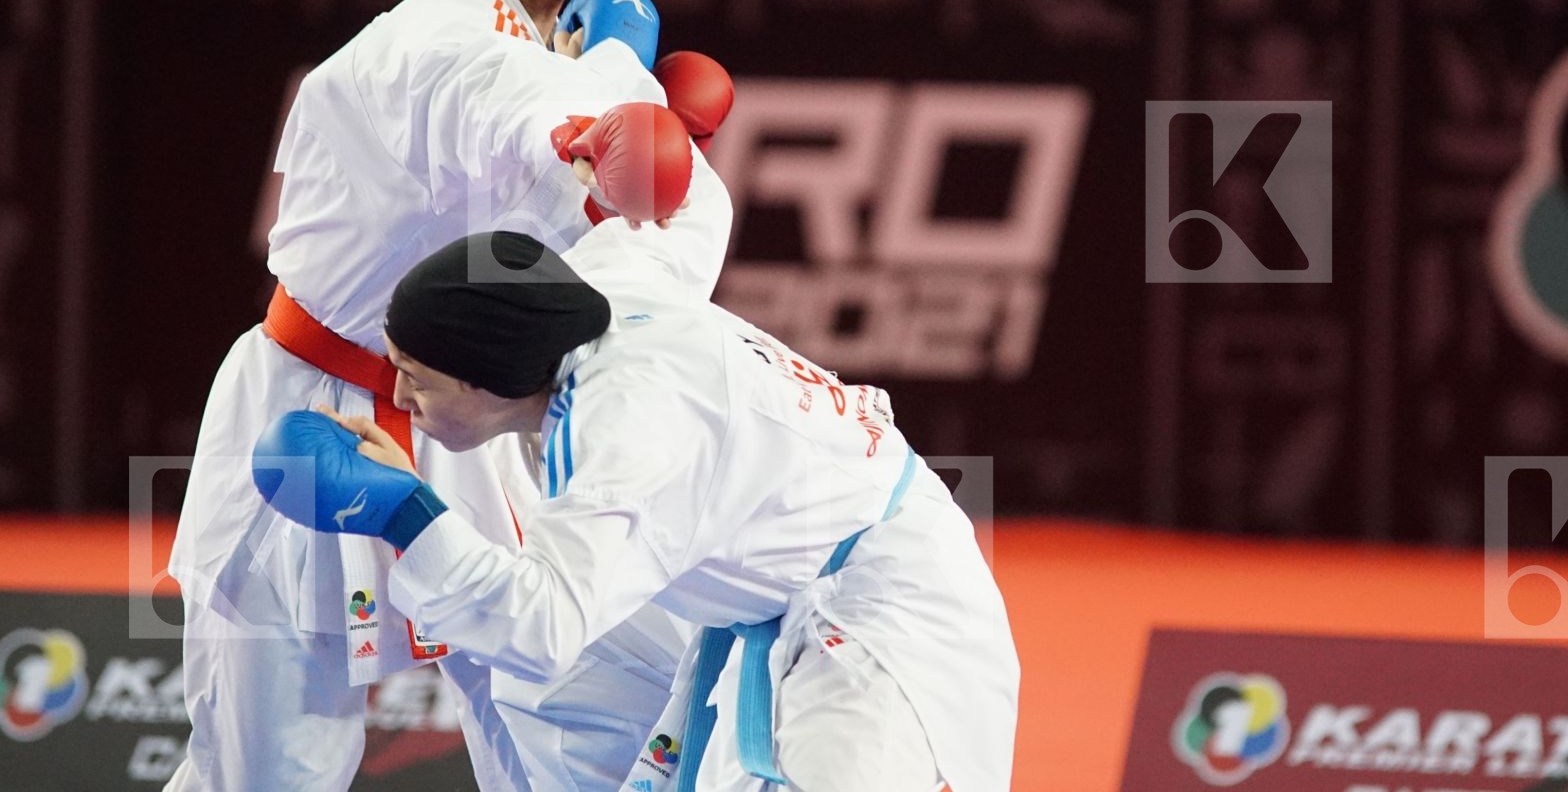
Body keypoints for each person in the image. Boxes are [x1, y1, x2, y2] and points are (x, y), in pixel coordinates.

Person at [165, 0, 736, 792]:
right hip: (318, 416)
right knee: (264, 769)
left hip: (476, 423)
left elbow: (660, 218)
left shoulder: (561, 48)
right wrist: (611, 114)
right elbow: (515, 111)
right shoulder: (440, 47)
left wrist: (626, 101)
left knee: (562, 716)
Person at [252, 216, 1021, 792]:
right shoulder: (602, 281)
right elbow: (676, 211)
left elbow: (543, 622)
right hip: (786, 586)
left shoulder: (625, 434)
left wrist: (401, 511)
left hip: (884, 610)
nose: (398, 395)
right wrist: (633, 95)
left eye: (417, 375)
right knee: (542, 693)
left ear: (489, 379)